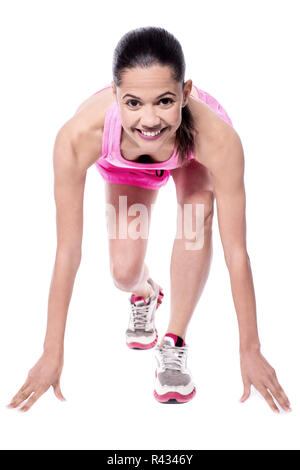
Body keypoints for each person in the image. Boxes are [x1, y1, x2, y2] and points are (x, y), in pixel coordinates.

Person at [8, 26, 291, 412]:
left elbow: (237, 252)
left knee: (195, 219)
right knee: (123, 272)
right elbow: (67, 251)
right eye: (134, 103)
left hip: (189, 154)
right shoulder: (78, 138)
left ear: (186, 94)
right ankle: (146, 293)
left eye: (164, 101)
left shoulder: (217, 139)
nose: (149, 119)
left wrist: (250, 348)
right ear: (115, 96)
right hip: (125, 164)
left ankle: (173, 341)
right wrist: (51, 352)